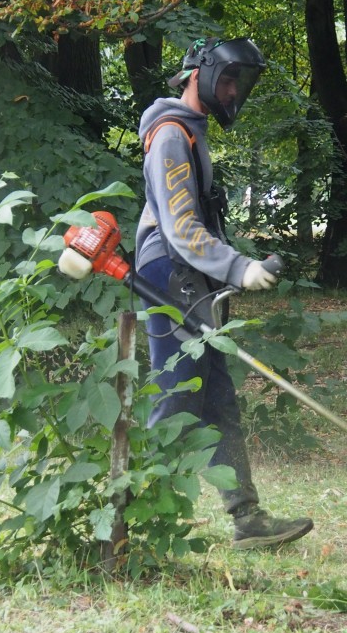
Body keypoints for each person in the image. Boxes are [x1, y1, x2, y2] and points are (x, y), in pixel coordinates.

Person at [135, 36, 314, 550]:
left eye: (241, 84)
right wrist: (238, 267)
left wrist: (226, 271)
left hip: (192, 277)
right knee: (176, 401)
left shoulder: (191, 132)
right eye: (230, 79)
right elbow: (181, 228)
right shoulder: (170, 135)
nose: (235, 92)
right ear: (202, 74)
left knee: (217, 400)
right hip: (170, 274)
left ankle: (247, 520)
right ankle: (131, 519)